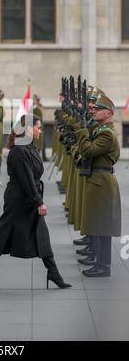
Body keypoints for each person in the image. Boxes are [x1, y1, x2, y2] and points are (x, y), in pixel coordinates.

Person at [0, 114, 71, 290]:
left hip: (27, 197)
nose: (40, 131)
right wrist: (39, 202)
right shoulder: (19, 150)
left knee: (41, 234)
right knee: (2, 234)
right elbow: (27, 180)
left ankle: (53, 273)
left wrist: (36, 200)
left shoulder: (30, 146)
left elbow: (32, 178)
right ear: (28, 129)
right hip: (19, 200)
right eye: (38, 127)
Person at [74, 95, 121, 277]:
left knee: (103, 226)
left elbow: (88, 150)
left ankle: (103, 265)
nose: (92, 110)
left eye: (97, 108)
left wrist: (83, 131)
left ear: (108, 113)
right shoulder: (102, 130)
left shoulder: (107, 133)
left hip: (102, 182)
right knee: (98, 223)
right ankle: (99, 261)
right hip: (98, 179)